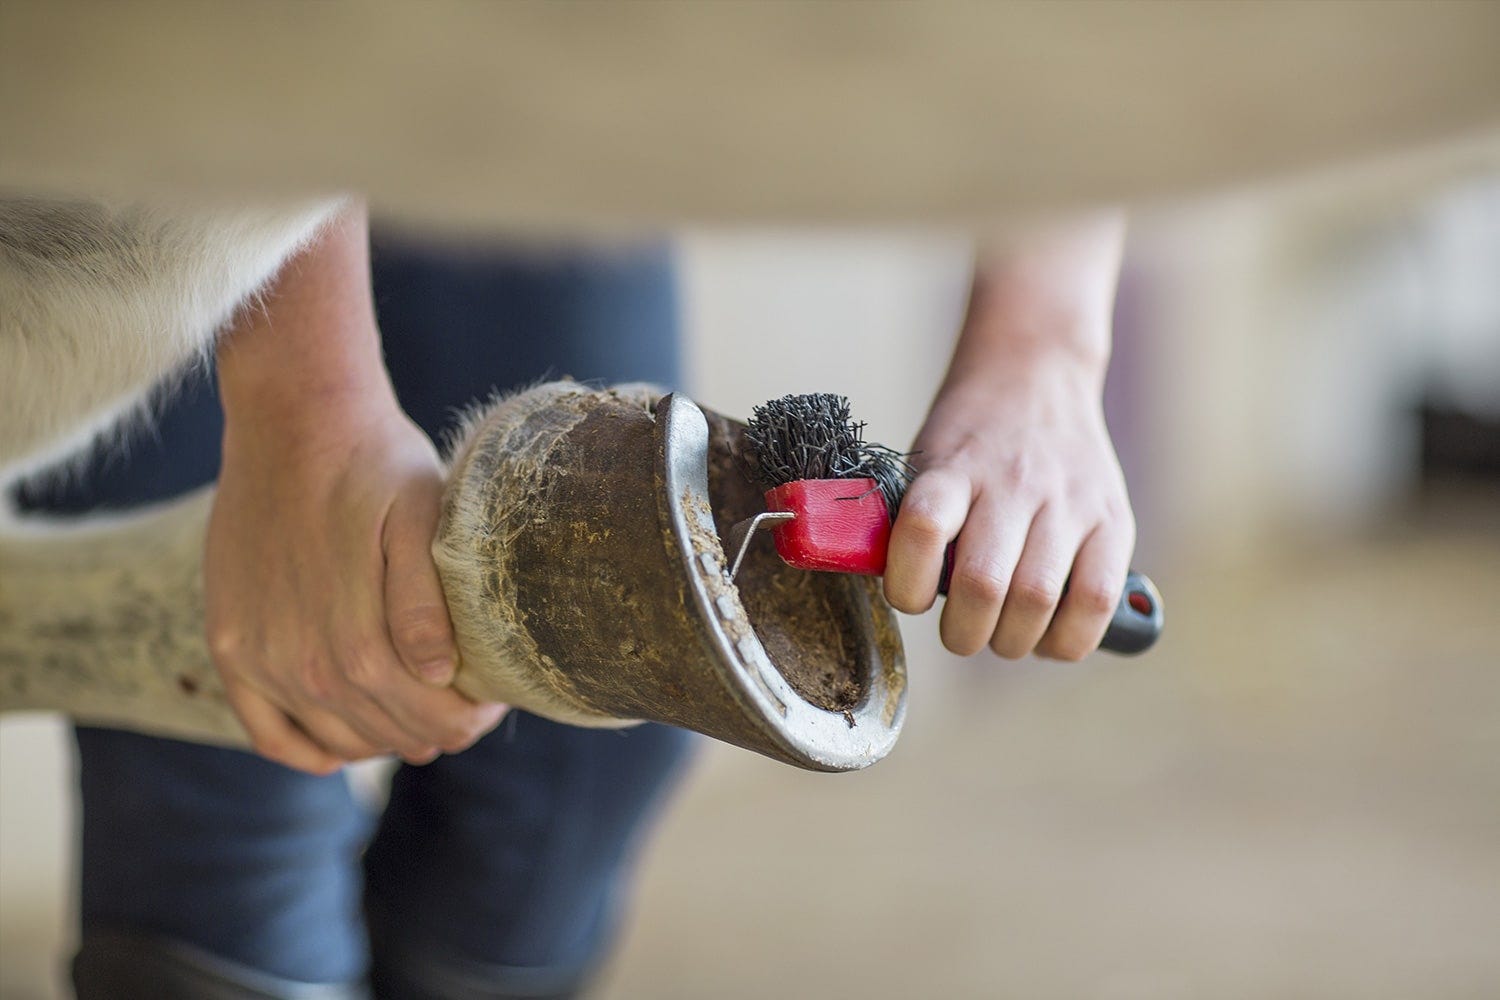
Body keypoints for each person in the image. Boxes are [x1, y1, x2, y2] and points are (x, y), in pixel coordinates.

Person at [15, 203, 1133, 998]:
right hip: (192, 118)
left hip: (542, 73)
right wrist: (303, 403)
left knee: (579, 764)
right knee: (254, 740)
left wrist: (1040, 348)